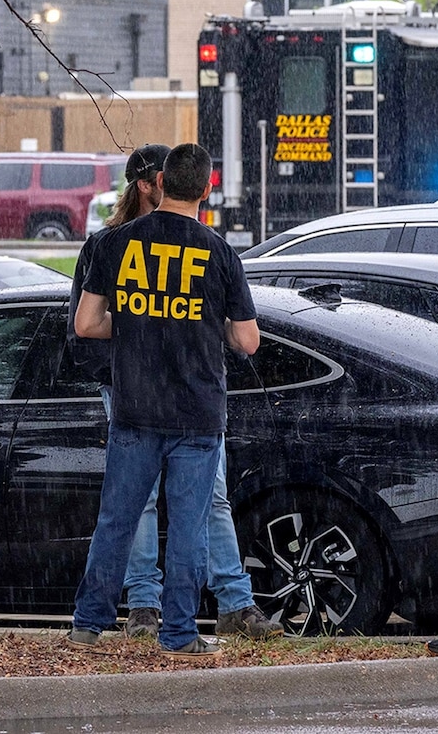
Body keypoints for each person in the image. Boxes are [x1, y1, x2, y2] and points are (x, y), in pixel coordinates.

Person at [70, 146, 280, 642]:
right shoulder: (220, 253)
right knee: (190, 527)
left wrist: (140, 319)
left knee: (117, 521)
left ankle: (89, 623)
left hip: (135, 406)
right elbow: (248, 340)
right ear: (206, 190)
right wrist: (209, 326)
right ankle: (181, 634)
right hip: (197, 413)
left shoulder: (114, 244)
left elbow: (85, 324)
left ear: (160, 180)